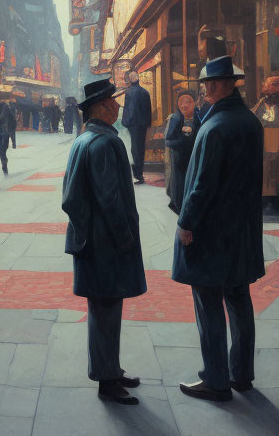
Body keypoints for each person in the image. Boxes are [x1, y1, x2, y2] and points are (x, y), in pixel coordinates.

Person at [172, 53, 264, 402]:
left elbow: (202, 185)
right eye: (205, 83)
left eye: (212, 82)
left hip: (211, 232)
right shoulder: (250, 122)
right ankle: (241, 374)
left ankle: (215, 378)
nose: (206, 88)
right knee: (239, 299)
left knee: (208, 302)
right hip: (241, 231)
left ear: (228, 84)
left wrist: (186, 222)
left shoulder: (214, 127)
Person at [62, 78, 146, 405]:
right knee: (106, 310)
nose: (118, 106)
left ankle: (111, 369)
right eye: (113, 102)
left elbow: (71, 198)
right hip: (106, 245)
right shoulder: (106, 143)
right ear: (100, 107)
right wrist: (125, 239)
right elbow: (110, 200)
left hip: (90, 241)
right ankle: (107, 381)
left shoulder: (85, 139)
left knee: (105, 310)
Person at [164, 91, 197, 214]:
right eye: (181, 102)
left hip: (194, 159)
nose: (184, 105)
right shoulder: (175, 118)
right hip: (179, 161)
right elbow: (168, 141)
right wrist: (184, 140)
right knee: (179, 187)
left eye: (188, 102)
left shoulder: (198, 117)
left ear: (194, 103)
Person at [120, 70, 152, 183]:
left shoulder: (129, 92)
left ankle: (137, 175)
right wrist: (148, 124)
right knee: (141, 148)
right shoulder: (145, 92)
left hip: (133, 124)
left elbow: (129, 109)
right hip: (142, 124)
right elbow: (149, 111)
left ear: (130, 80)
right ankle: (140, 174)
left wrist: (125, 123)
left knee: (134, 149)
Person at [0, 93, 17, 174]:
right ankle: (4, 164)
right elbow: (14, 120)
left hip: (3, 131)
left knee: (2, 150)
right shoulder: (0, 106)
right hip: (3, 131)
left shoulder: (3, 106)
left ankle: (4, 166)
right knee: (2, 149)